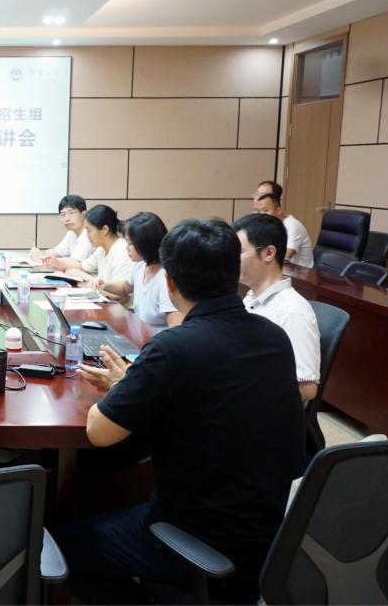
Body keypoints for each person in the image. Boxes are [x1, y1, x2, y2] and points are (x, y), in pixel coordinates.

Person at [60, 219, 305, 604]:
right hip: (269, 540)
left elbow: (99, 432)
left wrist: (126, 385)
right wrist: (138, 383)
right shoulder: (274, 338)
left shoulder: (173, 348)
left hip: (195, 541)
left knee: (64, 548)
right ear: (234, 273)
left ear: (170, 283)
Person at [234, 213, 321, 402]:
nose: (232, 260)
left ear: (269, 253)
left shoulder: (292, 312)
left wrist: (242, 394)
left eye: (239, 252)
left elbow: (307, 388)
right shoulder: (250, 298)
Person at [90, 212, 183, 328]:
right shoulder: (140, 265)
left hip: (157, 338)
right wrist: (105, 285)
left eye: (130, 243)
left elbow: (175, 326)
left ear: (145, 243)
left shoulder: (166, 279)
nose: (126, 248)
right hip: (140, 331)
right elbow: (125, 287)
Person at [61, 205, 134, 304]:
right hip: (105, 305)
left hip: (120, 309)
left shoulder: (122, 251)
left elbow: (118, 296)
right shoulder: (101, 249)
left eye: (89, 231)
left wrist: (91, 282)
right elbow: (81, 267)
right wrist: (90, 280)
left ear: (104, 229)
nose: (87, 235)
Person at [31, 195, 97, 272]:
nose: (67, 218)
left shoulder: (88, 234)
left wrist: (46, 258)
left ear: (83, 214)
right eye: (63, 214)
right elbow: (56, 251)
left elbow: (76, 262)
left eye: (71, 213)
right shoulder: (71, 233)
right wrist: (40, 254)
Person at [255, 191, 315, 267]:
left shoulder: (293, 225)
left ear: (278, 210)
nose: (261, 214)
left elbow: (287, 255)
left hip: (300, 271)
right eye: (259, 211)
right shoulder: (271, 225)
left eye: (265, 210)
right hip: (282, 268)